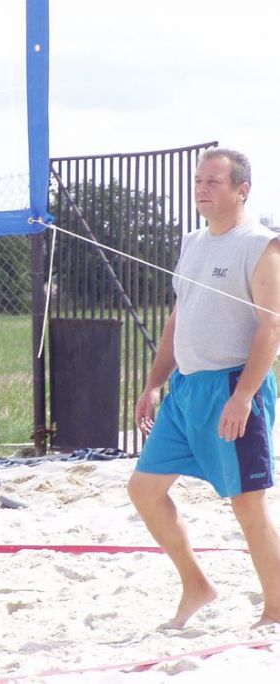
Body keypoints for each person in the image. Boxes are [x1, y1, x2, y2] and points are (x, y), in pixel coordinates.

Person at [128, 148, 280, 629]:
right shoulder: (193, 242)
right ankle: (196, 585)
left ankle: (276, 609)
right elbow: (179, 316)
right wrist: (154, 383)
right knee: (144, 490)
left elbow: (271, 327)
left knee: (247, 504)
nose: (201, 188)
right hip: (186, 389)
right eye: (198, 181)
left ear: (241, 190)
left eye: (213, 181)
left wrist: (243, 397)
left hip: (234, 386)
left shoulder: (261, 244)